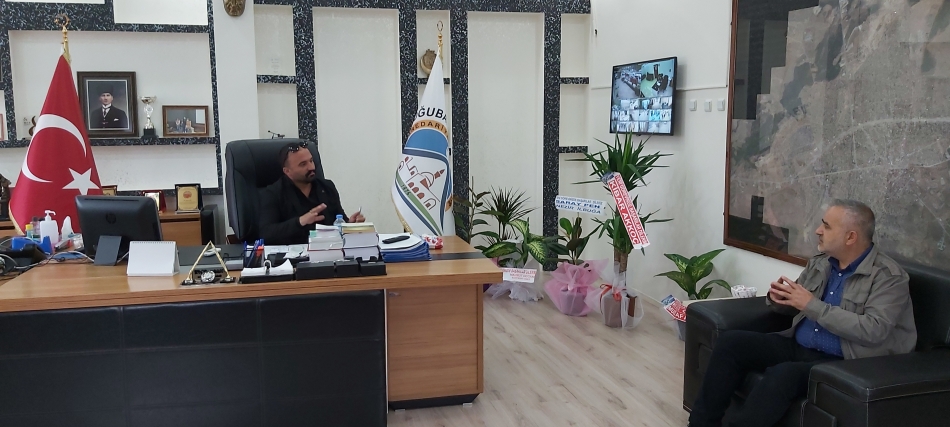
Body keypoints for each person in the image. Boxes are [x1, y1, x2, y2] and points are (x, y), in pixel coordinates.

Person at [688, 199, 916, 427]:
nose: (818, 230)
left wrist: (811, 305)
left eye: (826, 226)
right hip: (799, 345)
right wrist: (778, 299)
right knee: (731, 343)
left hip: (844, 360)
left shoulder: (888, 277)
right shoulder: (821, 263)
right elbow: (799, 303)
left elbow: (874, 330)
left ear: (850, 237)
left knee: (782, 375)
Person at [258, 141, 365, 244]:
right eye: (303, 164)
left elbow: (339, 221)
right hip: (294, 253)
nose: (311, 167)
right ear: (287, 171)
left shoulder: (327, 187)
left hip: (328, 249)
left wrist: (350, 225)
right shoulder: (273, 193)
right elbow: (266, 234)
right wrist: (300, 221)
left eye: (311, 161)